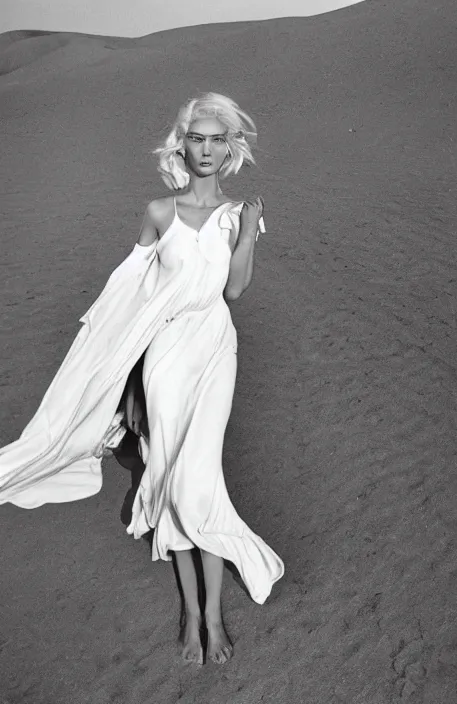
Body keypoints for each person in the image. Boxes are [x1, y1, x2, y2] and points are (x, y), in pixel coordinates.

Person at [0, 92, 284, 665]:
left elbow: (233, 292)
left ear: (230, 148)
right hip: (165, 354)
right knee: (164, 469)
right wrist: (125, 382)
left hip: (215, 346)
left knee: (199, 475)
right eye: (197, 139)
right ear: (183, 146)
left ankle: (214, 613)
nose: (206, 149)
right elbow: (127, 301)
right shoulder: (159, 212)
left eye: (216, 139)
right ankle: (194, 613)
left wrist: (250, 230)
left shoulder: (237, 216)